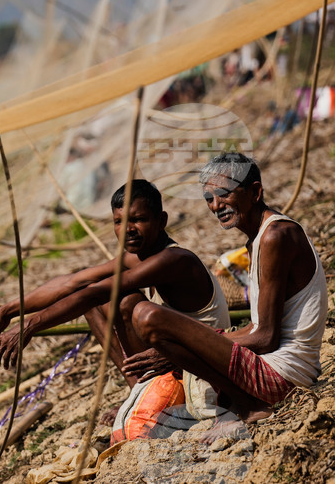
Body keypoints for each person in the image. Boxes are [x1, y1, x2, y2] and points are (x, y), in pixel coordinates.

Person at [122, 153, 326, 423]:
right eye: (209, 199)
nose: (217, 205)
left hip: (283, 377)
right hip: (276, 368)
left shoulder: (276, 236)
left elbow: (265, 337)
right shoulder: (258, 240)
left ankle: (245, 405)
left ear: (254, 192)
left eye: (224, 194)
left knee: (149, 316)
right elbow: (258, 329)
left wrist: (184, 351)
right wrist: (192, 343)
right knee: (147, 317)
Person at [0, 179, 230, 390]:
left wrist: (29, 326)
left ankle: (151, 393)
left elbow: (94, 293)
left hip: (205, 369)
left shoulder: (174, 259)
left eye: (138, 219)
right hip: (170, 359)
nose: (127, 229)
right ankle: (140, 390)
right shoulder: (134, 258)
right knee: (96, 303)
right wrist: (6, 311)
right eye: (119, 222)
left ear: (161, 220)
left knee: (123, 299)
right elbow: (72, 282)